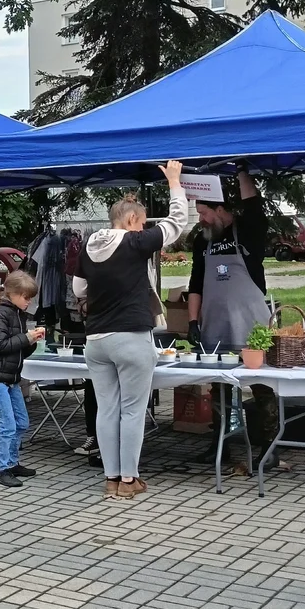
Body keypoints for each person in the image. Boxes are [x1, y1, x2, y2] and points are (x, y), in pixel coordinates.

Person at [73, 160, 186, 500]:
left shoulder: (89, 245)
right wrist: (175, 183)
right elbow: (177, 223)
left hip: (96, 340)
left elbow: (79, 290)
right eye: (143, 221)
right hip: (131, 337)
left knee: (106, 410)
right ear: (133, 219)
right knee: (133, 411)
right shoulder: (136, 242)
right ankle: (128, 479)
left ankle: (110, 479)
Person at [188, 164, 278, 469]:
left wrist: (241, 172)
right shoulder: (202, 241)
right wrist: (192, 322)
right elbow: (196, 284)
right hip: (215, 325)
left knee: (262, 385)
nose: (200, 219)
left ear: (222, 209)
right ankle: (220, 446)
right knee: (220, 387)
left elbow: (254, 205)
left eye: (204, 212)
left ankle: (270, 447)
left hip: (252, 324)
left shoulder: (248, 231)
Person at [0, 271, 43, 488]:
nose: (29, 301)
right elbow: (0, 346)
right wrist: (26, 338)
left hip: (11, 376)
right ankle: (1, 468)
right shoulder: (0, 315)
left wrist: (31, 342)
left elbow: (18, 352)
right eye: (26, 297)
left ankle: (12, 462)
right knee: (8, 424)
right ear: (14, 294)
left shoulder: (16, 314)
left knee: (21, 422)